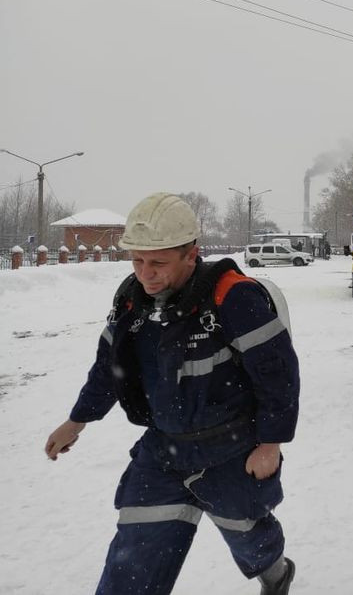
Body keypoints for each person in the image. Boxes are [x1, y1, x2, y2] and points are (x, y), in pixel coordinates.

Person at [44, 192, 299, 595]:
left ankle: (277, 574)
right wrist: (77, 421)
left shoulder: (233, 297)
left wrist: (270, 443)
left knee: (249, 535)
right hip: (163, 452)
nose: (146, 274)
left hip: (231, 451)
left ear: (191, 254)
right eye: (138, 261)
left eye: (159, 262)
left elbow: (278, 376)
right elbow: (108, 369)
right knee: (133, 558)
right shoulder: (131, 302)